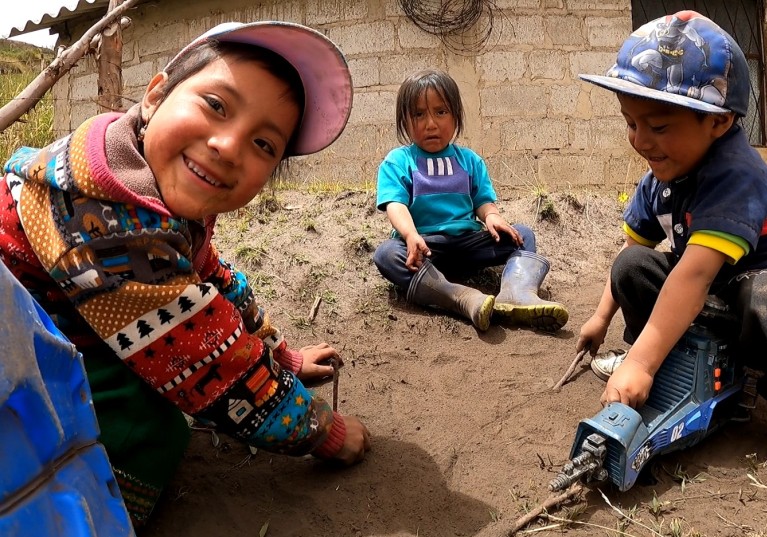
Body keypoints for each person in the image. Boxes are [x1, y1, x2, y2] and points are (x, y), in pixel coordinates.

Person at [0, 21, 371, 526]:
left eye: (264, 144)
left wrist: (281, 356)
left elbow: (211, 281)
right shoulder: (104, 221)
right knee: (150, 426)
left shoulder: (136, 177)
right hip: (11, 352)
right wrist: (320, 429)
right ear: (154, 96)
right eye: (216, 105)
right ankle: (93, 514)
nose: (228, 145)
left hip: (51, 324)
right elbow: (209, 365)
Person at [575, 11, 767, 482]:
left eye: (658, 126)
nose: (640, 140)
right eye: (630, 123)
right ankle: (670, 359)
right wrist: (601, 318)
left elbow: (695, 274)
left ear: (719, 122)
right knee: (632, 266)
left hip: (758, 310)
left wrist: (639, 362)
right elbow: (631, 251)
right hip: (707, 307)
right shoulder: (659, 177)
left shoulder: (737, 174)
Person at [373, 68, 568, 332]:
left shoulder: (470, 161)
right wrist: (409, 235)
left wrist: (492, 217)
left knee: (522, 235)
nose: (431, 123)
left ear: (456, 116)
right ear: (405, 121)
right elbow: (395, 205)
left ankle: (517, 294)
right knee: (386, 254)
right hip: (426, 249)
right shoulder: (398, 161)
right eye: (419, 114)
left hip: (468, 244)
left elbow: (482, 201)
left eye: (440, 112)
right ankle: (458, 297)